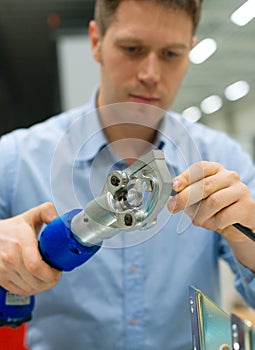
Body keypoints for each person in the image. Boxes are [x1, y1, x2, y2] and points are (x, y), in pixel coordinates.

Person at [0, 0, 255, 349]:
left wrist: (247, 237)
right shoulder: (15, 160)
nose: (150, 73)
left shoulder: (224, 161)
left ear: (190, 51)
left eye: (170, 54)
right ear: (95, 41)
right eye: (132, 49)